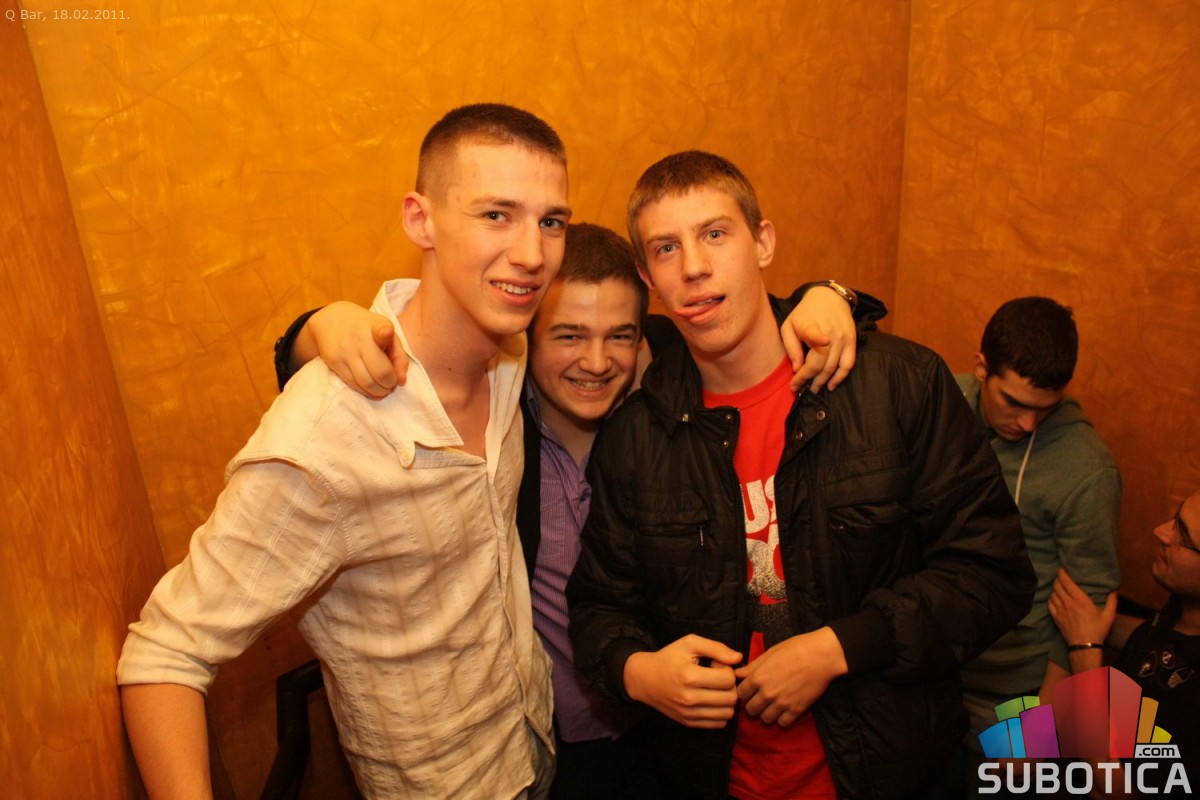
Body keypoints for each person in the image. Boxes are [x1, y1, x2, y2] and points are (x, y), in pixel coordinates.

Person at [276, 221, 883, 798]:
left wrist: (829, 295)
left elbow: (750, 315)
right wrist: (320, 324)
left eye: (619, 336)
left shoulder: (667, 393)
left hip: (674, 733)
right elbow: (355, 363)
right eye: (568, 336)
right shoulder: (491, 421)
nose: (596, 362)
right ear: (526, 333)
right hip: (549, 740)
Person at [117, 103, 573, 799]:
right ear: (420, 220)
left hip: (532, 737)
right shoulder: (324, 442)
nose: (533, 254)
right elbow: (164, 653)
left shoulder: (509, 360)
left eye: (551, 221)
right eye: (495, 215)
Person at [565, 150, 1035, 800]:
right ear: (648, 277)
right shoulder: (638, 436)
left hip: (889, 774)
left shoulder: (897, 385)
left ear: (763, 242)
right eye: (666, 249)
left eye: (714, 234)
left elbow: (994, 574)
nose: (694, 267)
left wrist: (839, 648)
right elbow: (599, 606)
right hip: (714, 779)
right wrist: (638, 670)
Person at [954, 297, 1122, 751]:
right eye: (1014, 402)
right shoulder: (941, 403)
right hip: (927, 670)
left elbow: (1086, 606)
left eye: (1044, 408)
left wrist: (1038, 734)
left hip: (1013, 696)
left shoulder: (1086, 469)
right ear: (982, 368)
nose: (1028, 423)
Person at [1049, 489, 1200, 784]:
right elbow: (1163, 646)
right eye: (1175, 518)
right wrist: (1097, 620)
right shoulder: (1186, 609)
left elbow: (1109, 786)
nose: (1161, 532)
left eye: (1183, 536)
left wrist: (1085, 649)